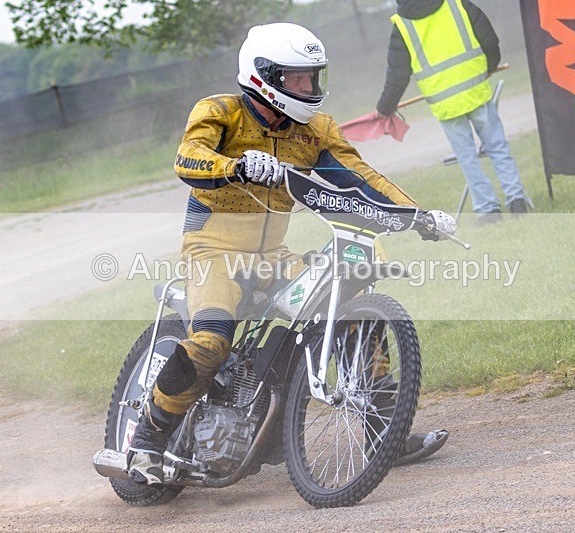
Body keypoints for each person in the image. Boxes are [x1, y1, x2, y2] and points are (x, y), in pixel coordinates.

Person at [127, 22, 453, 485]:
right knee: (212, 342)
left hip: (273, 257)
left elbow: (359, 177)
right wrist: (235, 166)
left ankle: (387, 435)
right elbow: (188, 158)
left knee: (351, 311)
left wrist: (418, 214)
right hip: (212, 252)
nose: (309, 87)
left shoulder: (314, 128)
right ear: (265, 76)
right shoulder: (220, 111)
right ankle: (146, 443)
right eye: (298, 78)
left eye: (313, 77)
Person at [376, 0, 532, 225]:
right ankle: (517, 201)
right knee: (497, 147)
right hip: (476, 89)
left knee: (468, 159)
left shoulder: (402, 24)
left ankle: (489, 211)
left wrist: (385, 106)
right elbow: (487, 35)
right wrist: (489, 66)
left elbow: (397, 73)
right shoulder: (456, 4)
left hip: (445, 102)